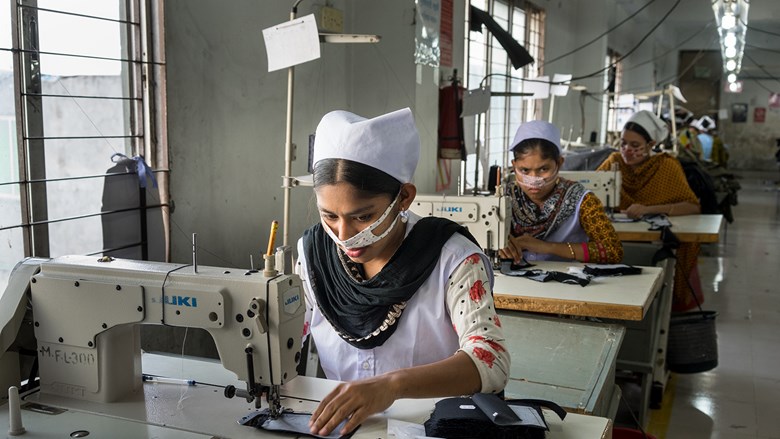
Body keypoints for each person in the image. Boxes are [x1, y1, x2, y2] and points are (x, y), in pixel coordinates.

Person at [296, 108, 509, 436]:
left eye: (363, 217)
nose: (344, 234)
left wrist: (391, 386)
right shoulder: (313, 257)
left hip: (432, 429)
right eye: (329, 216)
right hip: (346, 428)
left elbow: (490, 359)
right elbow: (288, 335)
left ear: (403, 198)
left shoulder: (453, 259)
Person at [597, 110, 703, 311]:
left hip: (656, 241)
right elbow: (591, 191)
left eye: (635, 145)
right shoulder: (614, 162)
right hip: (619, 238)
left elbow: (692, 206)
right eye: (623, 143)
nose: (627, 150)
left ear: (651, 145)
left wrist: (648, 209)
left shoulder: (666, 166)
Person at [499, 120, 622, 264]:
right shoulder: (503, 199)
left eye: (543, 169)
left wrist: (546, 247)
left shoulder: (582, 201)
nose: (533, 179)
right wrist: (497, 246)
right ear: (514, 166)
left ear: (559, 163)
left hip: (569, 282)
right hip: (516, 283)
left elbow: (613, 250)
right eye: (524, 170)